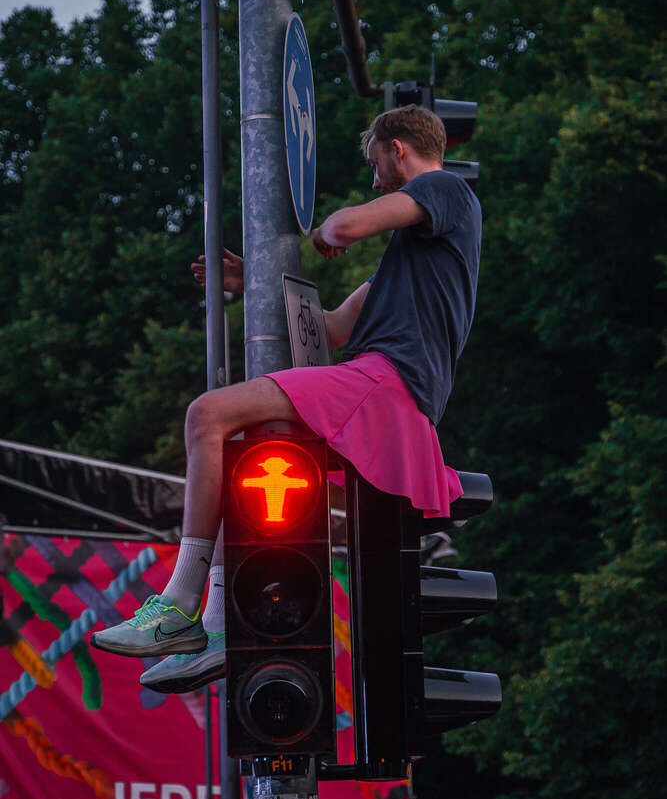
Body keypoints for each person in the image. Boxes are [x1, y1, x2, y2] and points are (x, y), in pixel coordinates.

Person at [90, 104, 482, 693]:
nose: (376, 181)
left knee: (207, 414)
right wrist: (255, 281)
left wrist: (326, 230)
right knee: (235, 454)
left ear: (398, 148)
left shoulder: (446, 188)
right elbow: (332, 326)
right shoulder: (414, 263)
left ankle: (178, 605)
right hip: (384, 388)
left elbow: (343, 229)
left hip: (385, 383)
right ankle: (217, 626)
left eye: (375, 164)